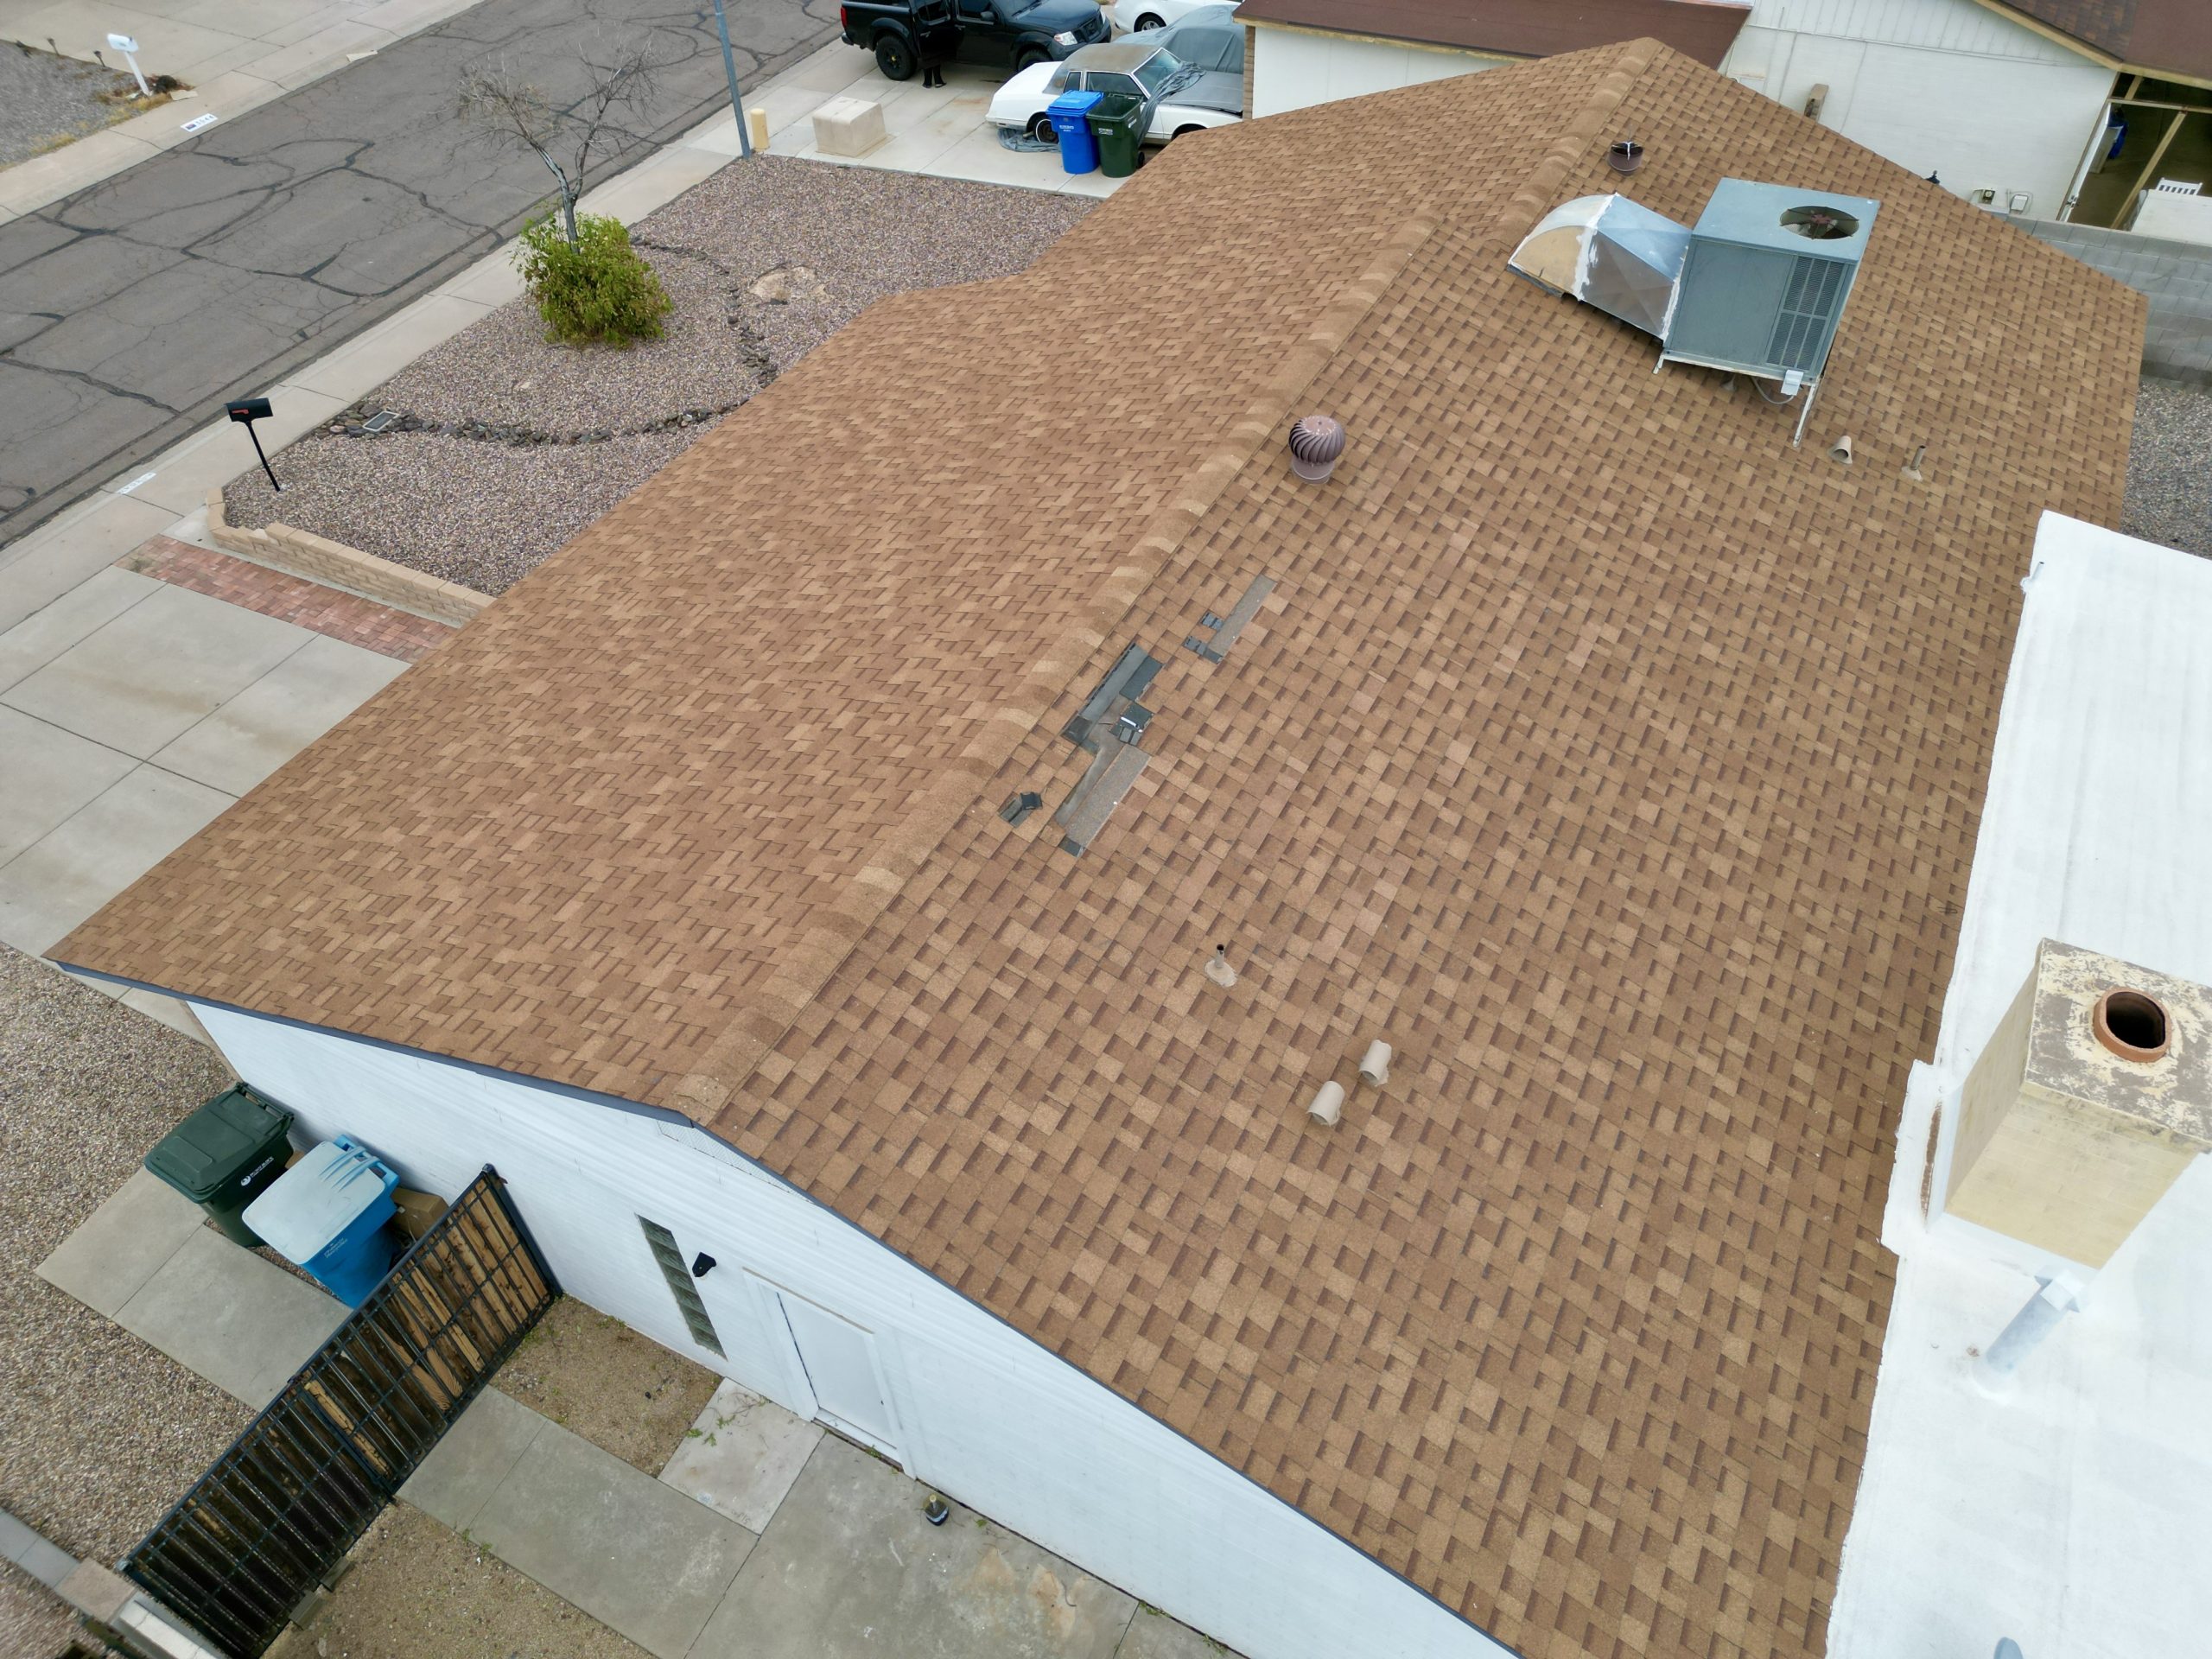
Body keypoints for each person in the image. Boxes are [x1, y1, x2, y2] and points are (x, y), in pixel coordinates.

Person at [914, 0, 958, 87]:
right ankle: (938, 81)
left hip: (923, 30)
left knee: (927, 57)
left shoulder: (918, 5)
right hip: (935, 28)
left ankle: (927, 82)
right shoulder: (935, 4)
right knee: (936, 57)